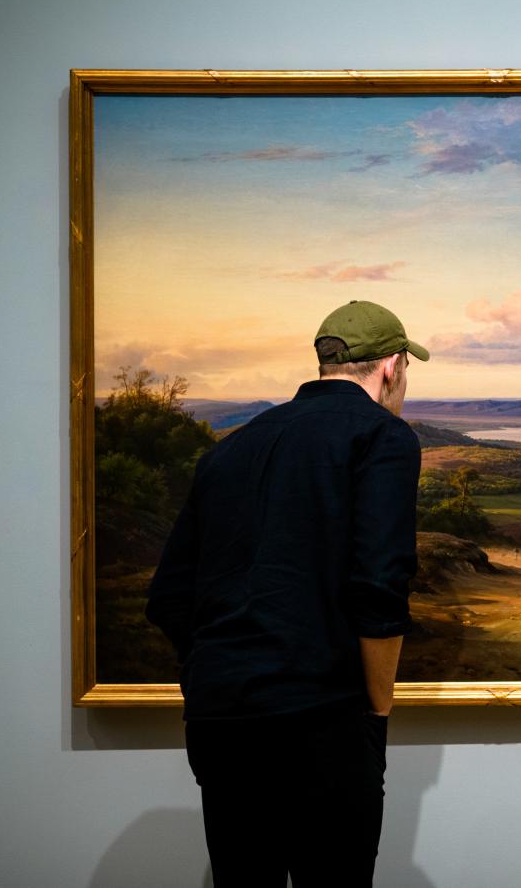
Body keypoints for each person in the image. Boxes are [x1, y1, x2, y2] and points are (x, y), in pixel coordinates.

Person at [145, 299, 428, 887]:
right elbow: (380, 586)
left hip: (220, 723)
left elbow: (169, 595)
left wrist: (215, 673)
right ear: (392, 366)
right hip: (323, 720)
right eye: (405, 369)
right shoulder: (383, 435)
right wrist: (376, 713)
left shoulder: (230, 447)